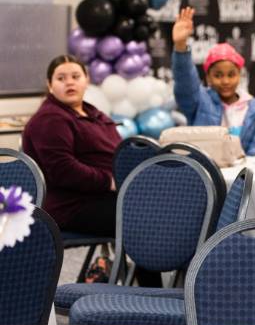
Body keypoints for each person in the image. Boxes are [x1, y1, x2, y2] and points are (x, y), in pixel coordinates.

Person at [21, 55, 160, 286]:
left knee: (157, 209)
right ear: (50, 85)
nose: (69, 82)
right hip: (71, 206)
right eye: (61, 78)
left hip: (102, 198)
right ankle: (152, 291)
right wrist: (110, 181)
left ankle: (162, 289)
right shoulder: (50, 119)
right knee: (143, 217)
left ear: (86, 80)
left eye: (75, 76)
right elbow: (63, 170)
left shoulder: (93, 114)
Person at [172, 6, 255, 155]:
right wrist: (180, 46)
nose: (225, 81)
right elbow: (185, 82)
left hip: (242, 170)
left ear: (240, 75)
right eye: (218, 75)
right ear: (208, 77)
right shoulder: (200, 101)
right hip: (204, 169)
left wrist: (241, 168)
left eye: (231, 75)